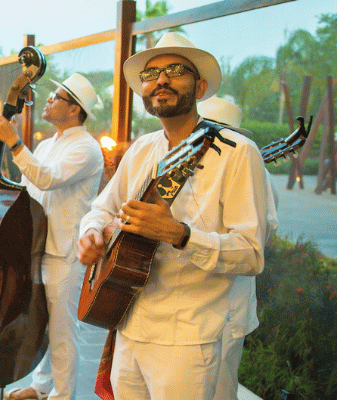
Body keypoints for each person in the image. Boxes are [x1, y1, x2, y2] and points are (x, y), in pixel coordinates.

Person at [76, 33, 274, 400]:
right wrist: (91, 235)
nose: (161, 80)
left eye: (175, 71)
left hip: (190, 336)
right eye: (151, 74)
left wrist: (180, 234)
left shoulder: (237, 154)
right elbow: (102, 208)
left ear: (199, 87)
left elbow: (251, 253)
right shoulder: (143, 149)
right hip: (129, 320)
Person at [0, 73, 104, 400]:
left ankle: (62, 395)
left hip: (64, 251)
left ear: (74, 110)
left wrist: (13, 142)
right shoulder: (49, 143)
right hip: (38, 246)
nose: (48, 100)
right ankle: (40, 388)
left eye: (55, 97)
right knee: (44, 323)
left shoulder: (86, 148)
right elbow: (32, 191)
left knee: (63, 330)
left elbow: (46, 179)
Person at [197, 96, 279, 400]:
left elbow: (258, 240)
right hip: (194, 306)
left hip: (228, 304)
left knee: (219, 389)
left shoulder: (250, 166)